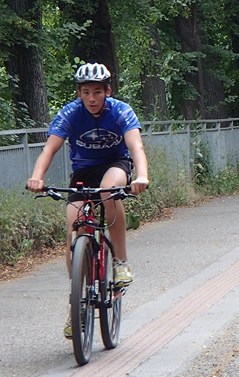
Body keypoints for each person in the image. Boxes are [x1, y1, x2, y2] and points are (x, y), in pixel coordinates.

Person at [26, 62, 149, 338]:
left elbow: (136, 145)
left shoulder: (120, 111)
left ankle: (120, 263)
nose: (92, 98)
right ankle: (77, 304)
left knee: (108, 191)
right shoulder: (70, 113)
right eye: (85, 92)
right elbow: (50, 149)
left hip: (115, 164)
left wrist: (141, 175)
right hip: (83, 172)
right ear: (79, 94)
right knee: (74, 228)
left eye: (97, 92)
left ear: (108, 91)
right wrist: (37, 177)